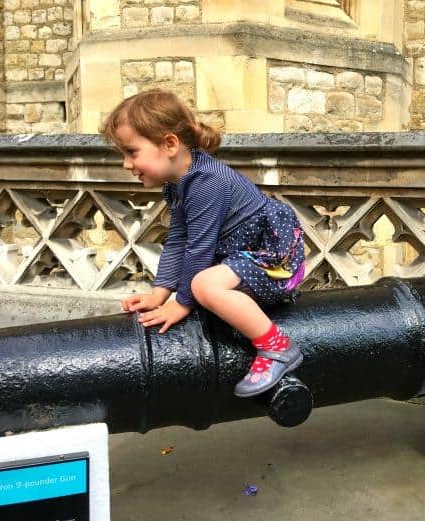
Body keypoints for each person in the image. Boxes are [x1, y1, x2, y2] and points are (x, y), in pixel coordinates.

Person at [102, 89, 306, 398]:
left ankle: (277, 347)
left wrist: (181, 303)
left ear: (169, 144)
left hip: (271, 264)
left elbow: (199, 248)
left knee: (204, 286)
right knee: (201, 282)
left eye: (132, 152)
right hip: (243, 259)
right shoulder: (180, 184)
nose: (126, 164)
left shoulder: (206, 183)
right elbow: (178, 241)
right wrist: (160, 294)